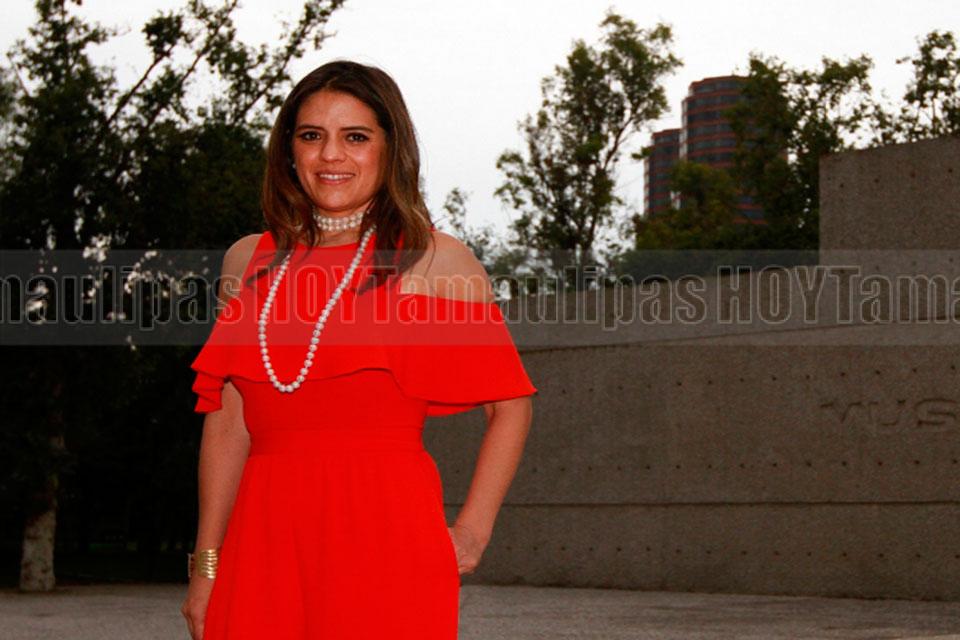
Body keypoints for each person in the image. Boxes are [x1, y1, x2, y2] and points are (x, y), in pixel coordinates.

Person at [180, 60, 537, 639]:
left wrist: (472, 532)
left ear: (389, 148)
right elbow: (226, 423)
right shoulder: (246, 261)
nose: (331, 156)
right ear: (288, 149)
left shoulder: (436, 261)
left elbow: (511, 406)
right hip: (261, 540)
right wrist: (206, 566)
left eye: (355, 137)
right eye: (311, 135)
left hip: (390, 540)